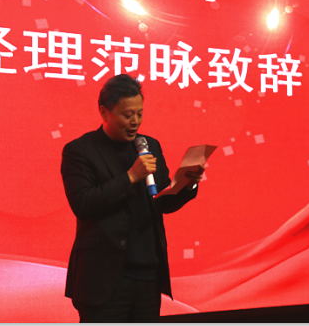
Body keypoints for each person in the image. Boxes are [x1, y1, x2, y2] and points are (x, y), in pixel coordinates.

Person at [61, 74, 203, 322]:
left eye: (139, 113)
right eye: (128, 115)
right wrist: (130, 177)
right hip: (104, 280)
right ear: (104, 112)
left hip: (148, 276)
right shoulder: (80, 150)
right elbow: (83, 204)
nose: (135, 122)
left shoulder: (150, 146)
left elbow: (162, 201)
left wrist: (187, 183)